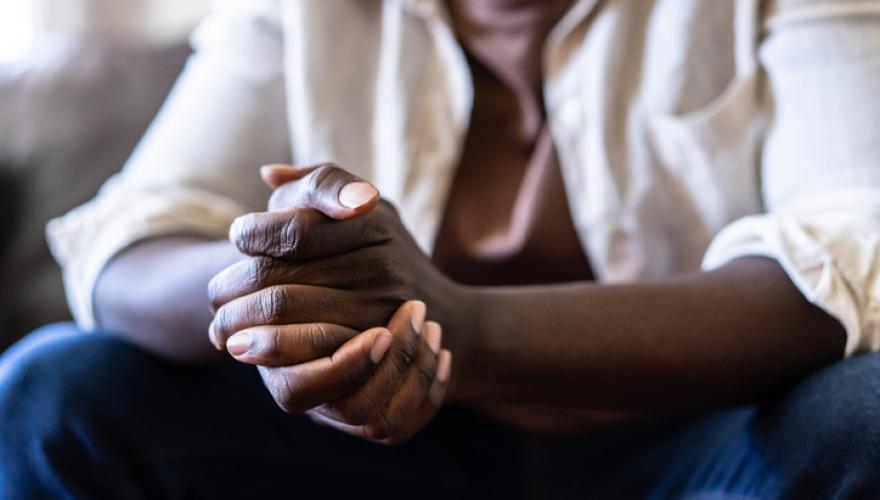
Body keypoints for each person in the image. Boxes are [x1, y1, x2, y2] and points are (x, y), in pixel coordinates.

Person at [2, 0, 880, 497]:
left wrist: (457, 328)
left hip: (694, 439)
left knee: (865, 416)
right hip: (397, 457)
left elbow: (847, 247)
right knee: (53, 391)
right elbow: (131, 237)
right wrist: (297, 297)